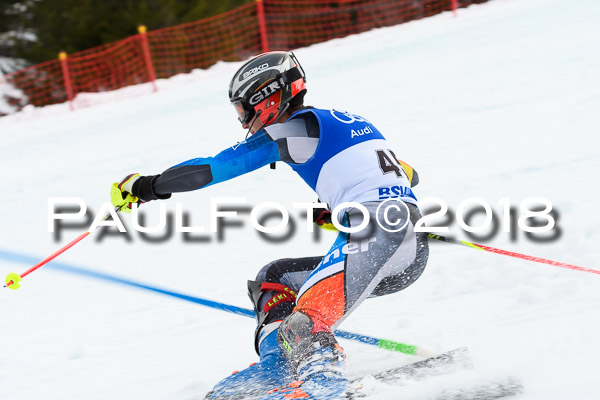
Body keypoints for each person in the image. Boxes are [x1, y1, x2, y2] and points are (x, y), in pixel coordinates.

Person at [111, 51, 429, 399]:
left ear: (268, 96)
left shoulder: (292, 129)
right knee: (274, 278)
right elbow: (408, 174)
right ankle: (278, 370)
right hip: (402, 243)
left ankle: (325, 389)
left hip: (379, 236)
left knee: (305, 324)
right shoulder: (344, 121)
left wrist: (144, 186)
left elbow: (210, 169)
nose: (244, 121)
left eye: (243, 110)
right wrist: (341, 208)